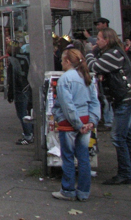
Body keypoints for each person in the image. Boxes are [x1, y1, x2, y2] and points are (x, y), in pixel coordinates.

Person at [85, 27, 131, 185]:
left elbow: (94, 67)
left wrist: (89, 52)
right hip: (124, 99)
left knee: (117, 137)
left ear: (107, 40)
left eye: (100, 38)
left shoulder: (113, 54)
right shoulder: (114, 53)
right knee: (128, 137)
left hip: (124, 100)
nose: (97, 41)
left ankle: (125, 173)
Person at [51, 49, 101, 202]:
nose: (60, 62)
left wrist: (77, 124)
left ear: (67, 61)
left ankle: (68, 189)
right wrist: (91, 121)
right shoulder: (86, 77)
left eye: (62, 60)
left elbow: (67, 105)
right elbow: (94, 101)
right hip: (86, 120)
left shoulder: (65, 79)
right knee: (83, 157)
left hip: (70, 123)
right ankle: (84, 191)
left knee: (68, 157)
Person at [6, 42, 34, 145]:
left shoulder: (13, 61)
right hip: (28, 87)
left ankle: (28, 135)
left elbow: (12, 80)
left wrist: (10, 94)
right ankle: (31, 132)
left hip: (19, 89)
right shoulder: (25, 58)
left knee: (22, 113)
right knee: (28, 111)